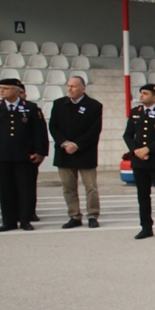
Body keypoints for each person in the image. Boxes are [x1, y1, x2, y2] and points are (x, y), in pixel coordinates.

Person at [0, 77, 47, 232]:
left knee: (25, 189)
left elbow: (39, 132)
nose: (2, 91)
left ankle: (25, 220)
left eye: (6, 88)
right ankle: (8, 221)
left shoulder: (30, 107)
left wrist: (40, 152)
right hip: (2, 155)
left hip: (24, 155)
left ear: (16, 90)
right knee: (6, 190)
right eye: (1, 88)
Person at [49, 74, 102, 228]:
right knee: (68, 187)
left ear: (83, 88)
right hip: (64, 152)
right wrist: (65, 143)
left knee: (91, 186)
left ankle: (92, 215)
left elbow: (95, 130)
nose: (69, 89)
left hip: (85, 152)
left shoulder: (94, 106)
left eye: (73, 86)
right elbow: (53, 126)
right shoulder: (59, 104)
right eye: (68, 86)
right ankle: (74, 216)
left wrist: (77, 145)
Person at [123, 83, 155, 239]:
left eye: (145, 93)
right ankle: (146, 227)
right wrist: (136, 151)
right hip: (140, 161)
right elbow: (127, 135)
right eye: (141, 93)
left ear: (154, 96)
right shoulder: (135, 112)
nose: (141, 96)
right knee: (143, 195)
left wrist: (148, 149)